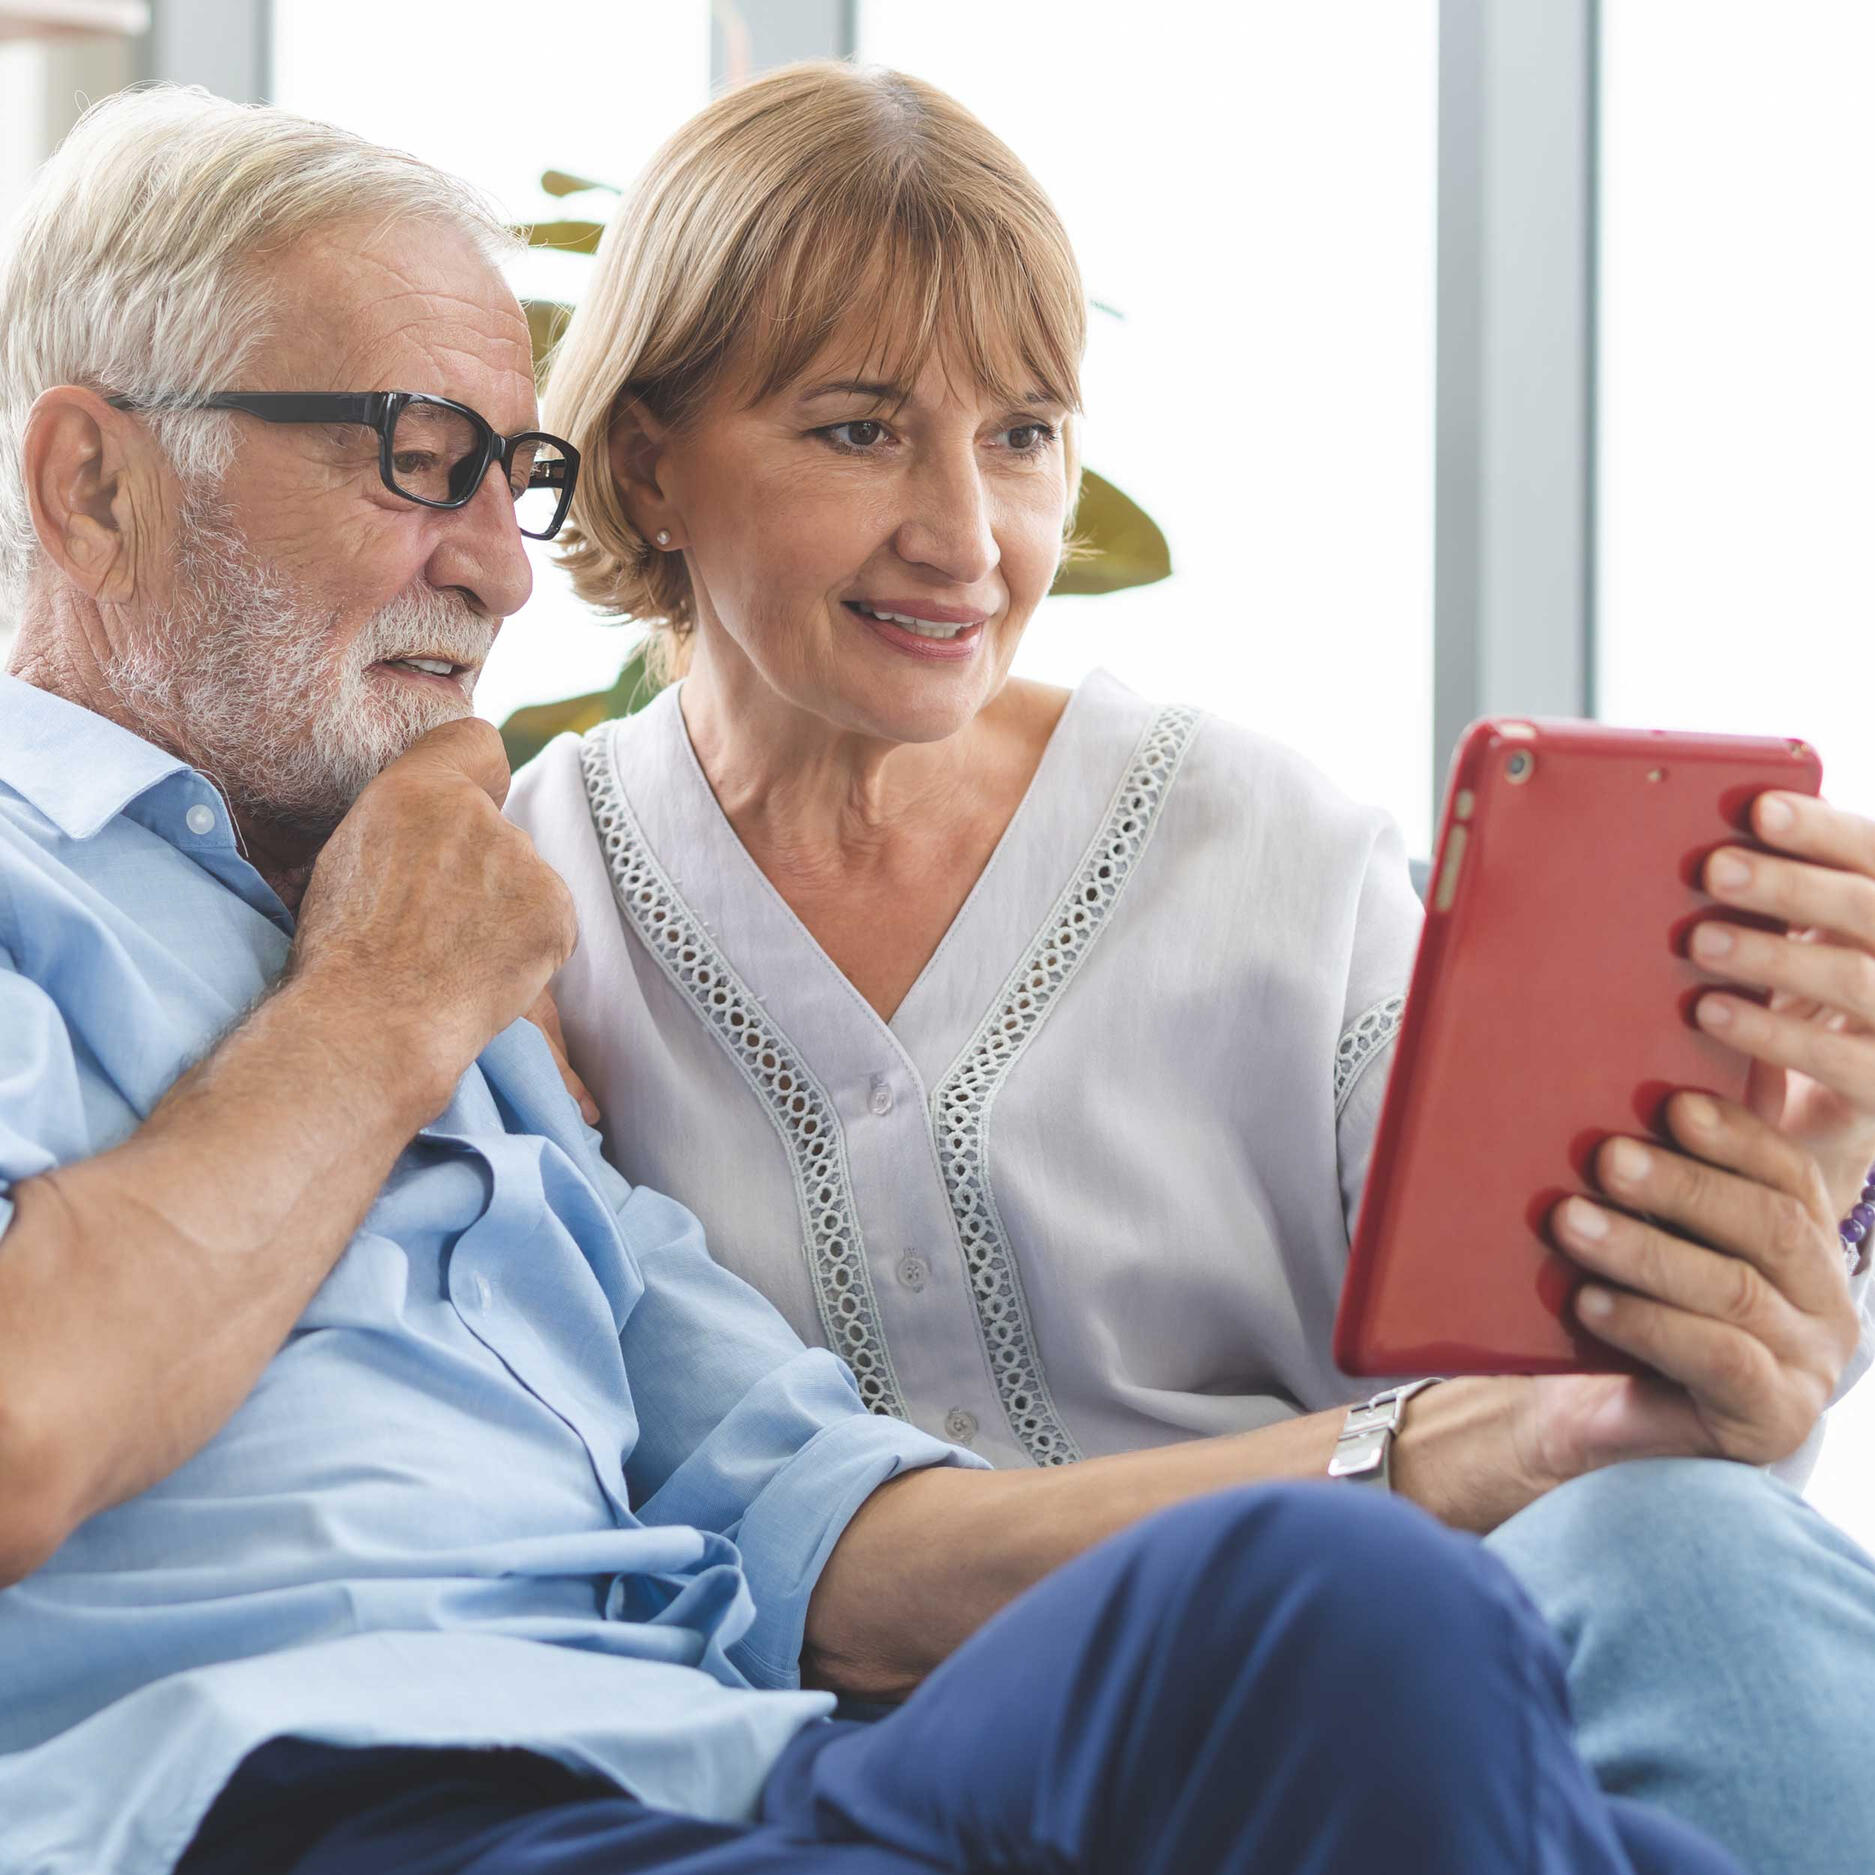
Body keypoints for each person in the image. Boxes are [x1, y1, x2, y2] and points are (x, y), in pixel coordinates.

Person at [0, 85, 1750, 1875]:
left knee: (1366, 1615)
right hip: (337, 1791)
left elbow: (819, 1529)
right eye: (411, 455)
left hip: (722, 1758)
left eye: (506, 477)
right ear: (95, 479)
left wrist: (1500, 1431)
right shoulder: (380, 942)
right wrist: (378, 1004)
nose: (502, 569)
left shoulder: (452, 961)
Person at [508, 60, 1875, 1875]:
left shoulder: (1260, 838)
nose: (968, 536)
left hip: (1397, 1693)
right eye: (858, 430)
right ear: (645, 460)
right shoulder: (523, 897)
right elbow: (764, 1547)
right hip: (901, 1759)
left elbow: (1560, 1411)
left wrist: (1777, 1248)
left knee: (1692, 1548)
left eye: (1021, 434)